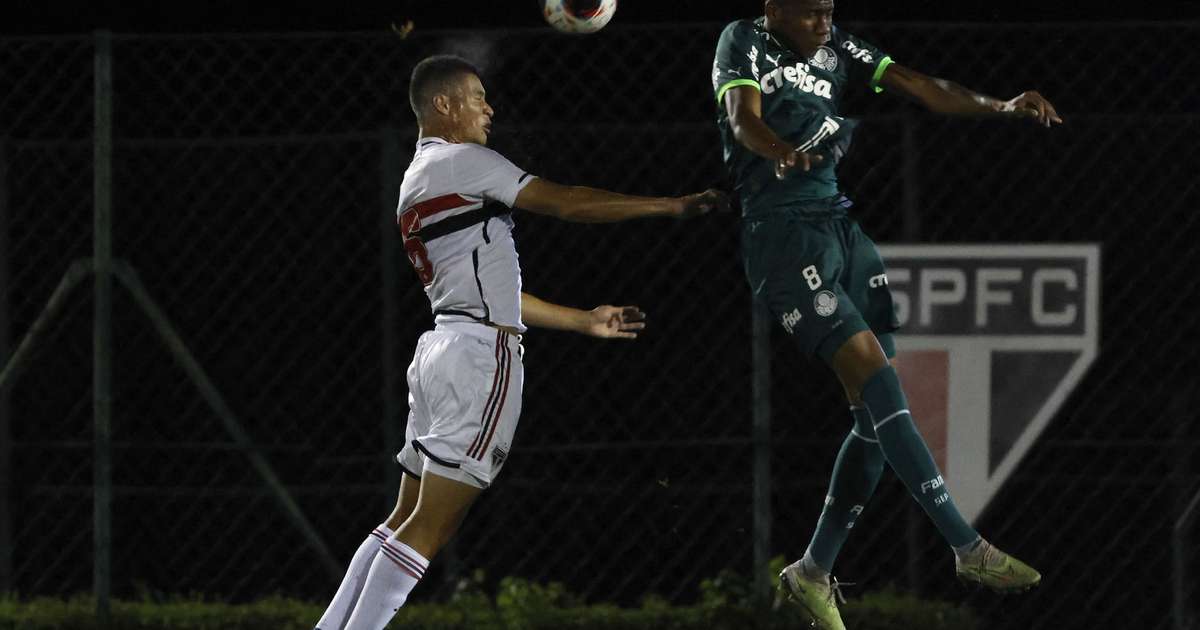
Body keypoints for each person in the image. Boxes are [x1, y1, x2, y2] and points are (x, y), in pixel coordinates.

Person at [313, 55, 728, 630]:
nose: (490, 108)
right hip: (480, 359)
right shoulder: (465, 162)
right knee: (429, 529)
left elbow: (495, 290)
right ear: (444, 105)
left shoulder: (418, 176)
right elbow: (567, 200)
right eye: (478, 96)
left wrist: (584, 320)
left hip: (442, 350)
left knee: (403, 518)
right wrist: (669, 205)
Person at [712, 1, 1060, 628]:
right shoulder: (742, 41)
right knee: (881, 380)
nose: (823, 20)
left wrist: (999, 105)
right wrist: (781, 151)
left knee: (874, 418)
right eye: (811, 11)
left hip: (840, 229)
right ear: (774, 9)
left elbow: (920, 86)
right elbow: (742, 120)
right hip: (781, 234)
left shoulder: (839, 46)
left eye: (829, 10)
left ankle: (813, 571)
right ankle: (967, 547)